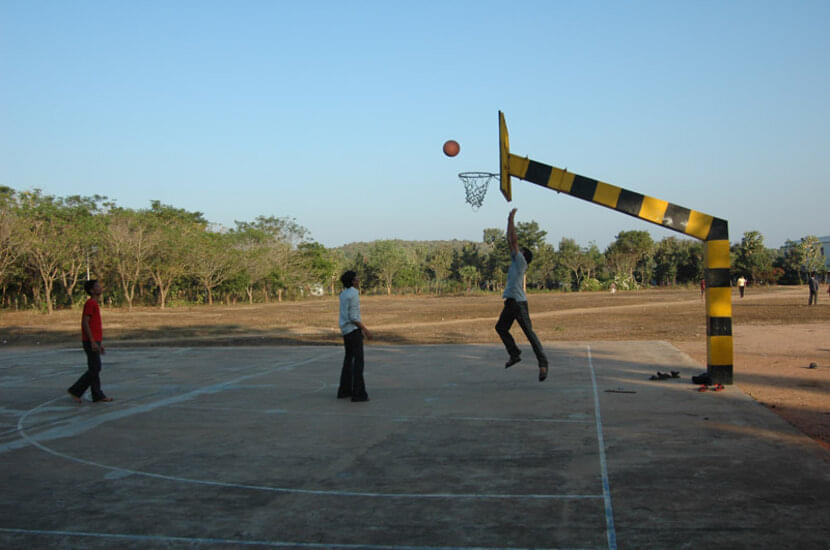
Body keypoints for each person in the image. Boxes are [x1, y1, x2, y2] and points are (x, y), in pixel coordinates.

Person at [495, 208, 549, 382]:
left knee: (529, 334)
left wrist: (511, 219)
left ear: (524, 256)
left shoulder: (521, 261)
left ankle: (543, 363)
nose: (517, 250)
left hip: (518, 304)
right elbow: (509, 240)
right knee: (501, 328)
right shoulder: (516, 261)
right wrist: (508, 221)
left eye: (521, 250)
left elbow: (513, 240)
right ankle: (515, 354)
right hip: (511, 303)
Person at [67, 280, 113, 403]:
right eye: (97, 286)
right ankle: (76, 390)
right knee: (95, 368)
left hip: (95, 340)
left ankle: (97, 395)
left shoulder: (94, 304)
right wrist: (92, 341)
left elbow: (94, 325)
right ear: (92, 290)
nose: (100, 287)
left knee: (94, 368)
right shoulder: (90, 303)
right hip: (90, 341)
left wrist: (99, 343)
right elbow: (85, 322)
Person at [337, 270, 372, 402]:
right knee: (358, 362)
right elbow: (353, 316)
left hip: (345, 331)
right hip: (353, 330)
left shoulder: (343, 294)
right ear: (352, 281)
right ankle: (358, 393)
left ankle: (344, 390)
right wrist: (365, 329)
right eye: (357, 278)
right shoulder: (354, 294)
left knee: (348, 360)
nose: (358, 280)